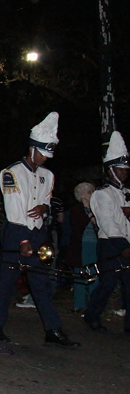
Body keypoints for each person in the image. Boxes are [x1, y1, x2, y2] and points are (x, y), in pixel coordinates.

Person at [0, 112, 78, 348]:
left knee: (41, 282)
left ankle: (53, 329)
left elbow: (45, 200)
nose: (44, 159)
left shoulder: (48, 175)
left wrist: (44, 207)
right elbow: (14, 208)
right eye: (42, 154)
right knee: (7, 282)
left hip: (38, 232)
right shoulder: (12, 172)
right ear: (32, 148)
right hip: (17, 231)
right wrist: (23, 241)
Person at [83, 132, 130, 333]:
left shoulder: (126, 194)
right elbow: (109, 225)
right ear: (110, 171)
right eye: (120, 169)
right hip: (111, 245)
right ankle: (92, 315)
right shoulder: (102, 195)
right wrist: (124, 247)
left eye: (126, 170)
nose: (124, 173)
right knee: (108, 284)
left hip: (125, 244)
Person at [64, 182, 98, 313]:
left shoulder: (96, 207)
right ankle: (79, 304)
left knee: (93, 274)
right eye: (89, 192)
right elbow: (77, 226)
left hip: (94, 244)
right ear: (82, 194)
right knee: (79, 274)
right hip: (81, 245)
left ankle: (93, 304)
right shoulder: (76, 209)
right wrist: (86, 208)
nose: (91, 194)